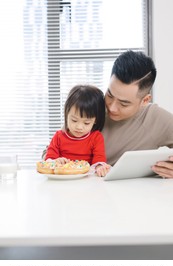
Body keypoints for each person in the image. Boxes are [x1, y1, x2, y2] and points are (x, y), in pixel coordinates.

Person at [102, 50, 173, 178]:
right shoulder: (90, 107)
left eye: (124, 104)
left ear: (145, 100)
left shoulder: (155, 118)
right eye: (110, 95)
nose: (112, 107)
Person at [44, 84, 110, 177]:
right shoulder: (59, 136)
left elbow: (99, 158)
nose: (79, 127)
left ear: (95, 121)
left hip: (86, 180)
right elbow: (49, 158)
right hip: (63, 179)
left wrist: (99, 166)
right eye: (74, 120)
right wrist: (55, 161)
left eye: (86, 123)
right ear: (67, 115)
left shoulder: (96, 137)